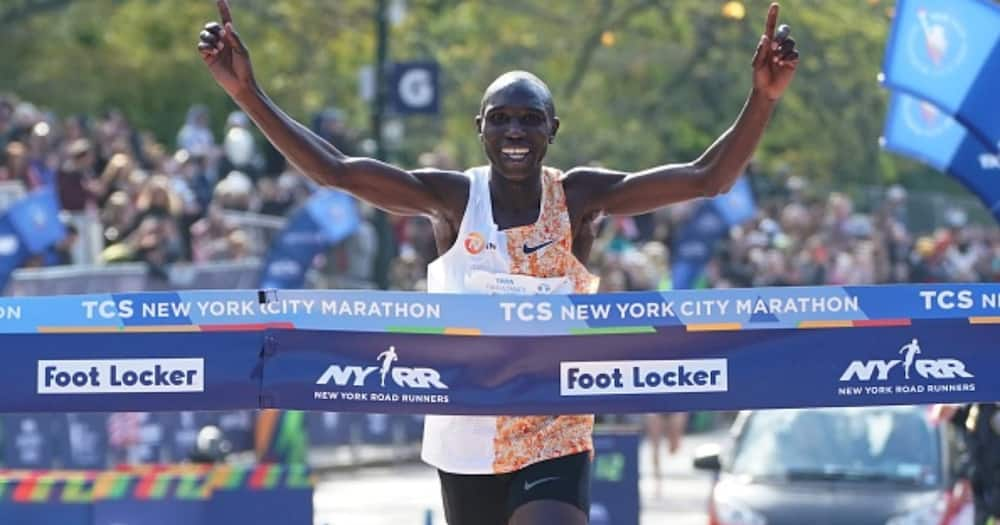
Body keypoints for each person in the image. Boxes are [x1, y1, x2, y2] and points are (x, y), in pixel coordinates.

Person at [197, 1, 799, 523]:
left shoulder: (580, 198)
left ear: (552, 130)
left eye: (530, 119)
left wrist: (762, 98)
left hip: (554, 422)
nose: (516, 130)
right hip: (467, 427)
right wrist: (247, 93)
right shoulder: (455, 200)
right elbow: (335, 171)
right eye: (502, 119)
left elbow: (707, 179)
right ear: (479, 129)